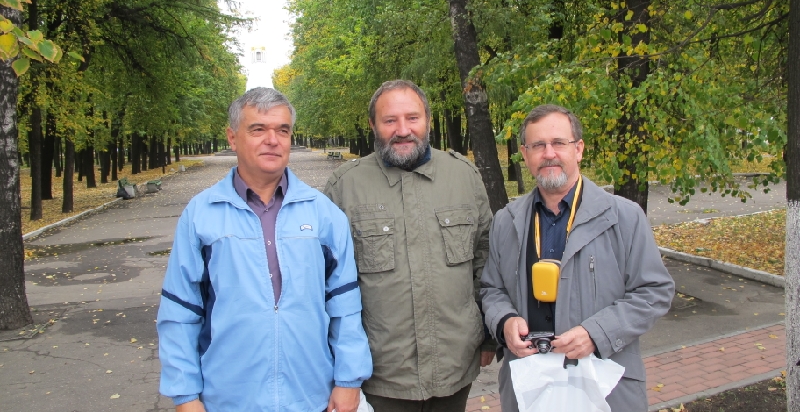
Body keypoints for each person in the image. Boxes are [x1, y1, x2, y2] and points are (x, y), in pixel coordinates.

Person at [157, 87, 372, 412]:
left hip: (312, 397)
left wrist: (348, 381)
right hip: (227, 400)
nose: (273, 140)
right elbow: (180, 312)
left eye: (282, 130)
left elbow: (346, 307)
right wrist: (186, 397)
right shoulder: (202, 215)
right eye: (258, 129)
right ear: (232, 138)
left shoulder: (324, 214)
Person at [480, 104, 675, 411]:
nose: (549, 154)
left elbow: (655, 291)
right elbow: (492, 289)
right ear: (525, 154)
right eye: (538, 145)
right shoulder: (507, 221)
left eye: (559, 143)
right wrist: (504, 321)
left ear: (579, 149)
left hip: (604, 387)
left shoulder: (624, 217)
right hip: (530, 387)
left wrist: (597, 333)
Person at [324, 80, 495, 411]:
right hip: (380, 373)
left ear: (427, 120)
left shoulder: (463, 177)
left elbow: (485, 260)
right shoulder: (345, 187)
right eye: (390, 120)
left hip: (455, 365)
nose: (402, 130)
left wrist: (488, 337)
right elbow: (326, 284)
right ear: (373, 125)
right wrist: (342, 368)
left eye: (412, 118)